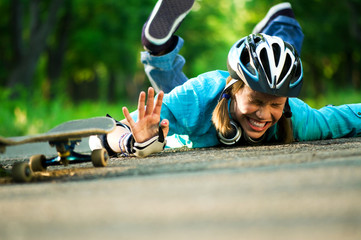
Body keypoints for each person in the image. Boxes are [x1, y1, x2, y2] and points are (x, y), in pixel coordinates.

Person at [89, 1, 361, 158]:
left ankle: (281, 25)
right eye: (255, 100)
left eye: (275, 104)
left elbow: (347, 118)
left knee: (279, 66)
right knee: (176, 107)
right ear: (233, 87)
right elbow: (109, 132)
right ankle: (159, 51)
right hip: (201, 110)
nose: (264, 115)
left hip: (205, 114)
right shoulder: (198, 97)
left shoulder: (297, 118)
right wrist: (132, 142)